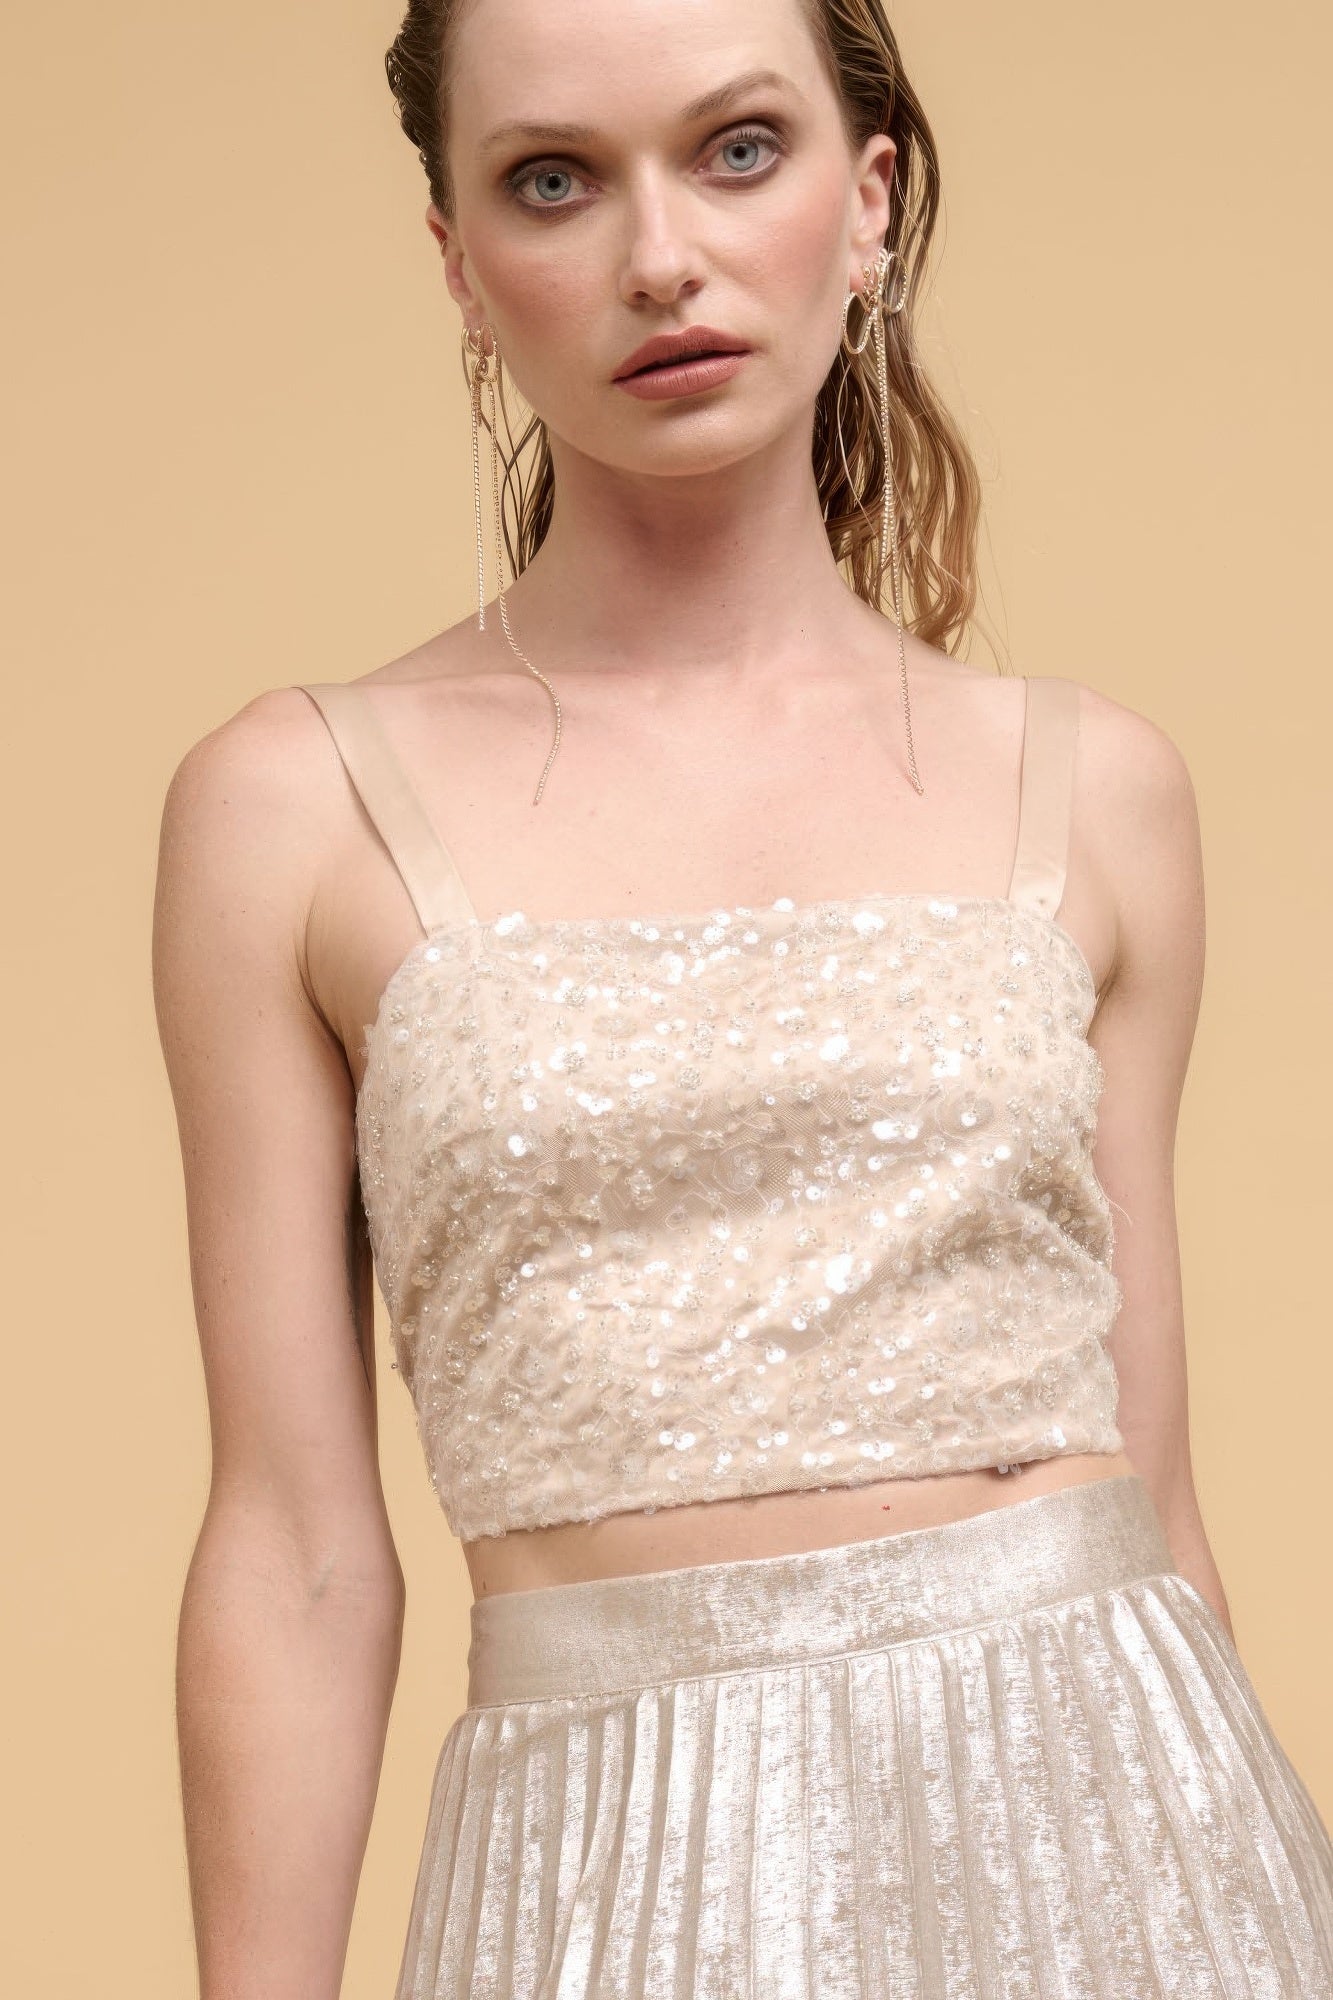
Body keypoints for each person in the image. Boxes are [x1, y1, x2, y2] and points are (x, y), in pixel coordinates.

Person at [152, 0, 1333, 1993]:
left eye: (736, 149)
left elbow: (1158, 1488)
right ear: (456, 258)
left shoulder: (1097, 790)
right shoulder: (288, 810)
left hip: (1121, 1837)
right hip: (605, 1867)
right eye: (551, 179)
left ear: (865, 204)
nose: (659, 255)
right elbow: (296, 1552)